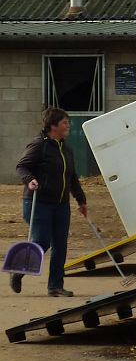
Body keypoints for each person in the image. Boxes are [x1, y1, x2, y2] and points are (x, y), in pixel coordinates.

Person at [10, 107, 87, 297]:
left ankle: (55, 286)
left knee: (61, 244)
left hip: (61, 204)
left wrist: (81, 200)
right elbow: (22, 166)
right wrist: (30, 180)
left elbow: (72, 177)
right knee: (42, 241)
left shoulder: (66, 149)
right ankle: (18, 270)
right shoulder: (39, 146)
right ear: (53, 126)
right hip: (38, 202)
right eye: (64, 123)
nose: (68, 126)